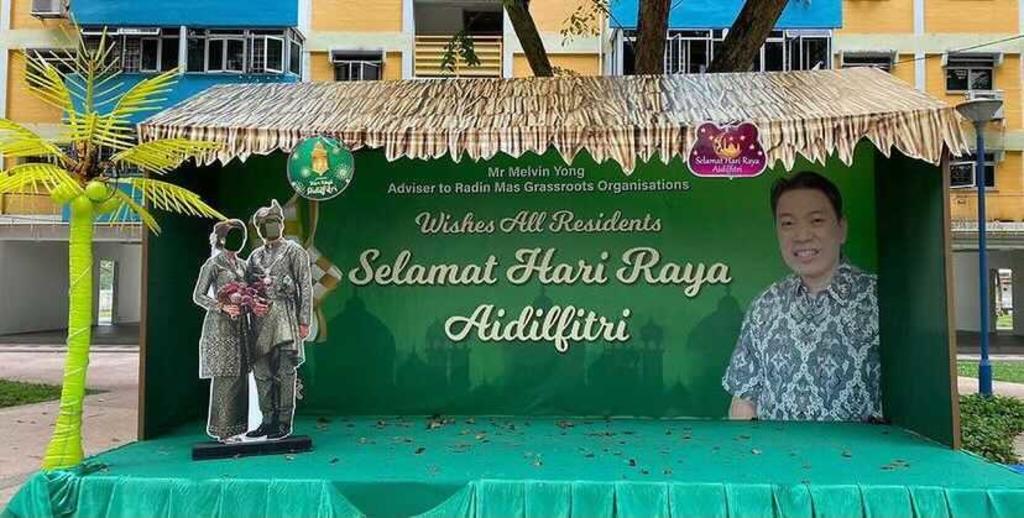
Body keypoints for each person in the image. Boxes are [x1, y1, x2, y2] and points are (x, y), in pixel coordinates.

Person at [722, 171, 881, 422]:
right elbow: (744, 400)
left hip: (859, 460)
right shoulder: (766, 305)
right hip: (777, 459)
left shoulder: (879, 300)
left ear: (841, 229)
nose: (802, 235)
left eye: (816, 220)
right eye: (787, 223)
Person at [246, 199, 313, 440]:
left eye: (273, 221)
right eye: (263, 223)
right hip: (260, 319)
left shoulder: (295, 251)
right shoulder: (254, 257)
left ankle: (284, 421)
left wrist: (304, 320)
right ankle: (267, 420)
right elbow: (247, 289)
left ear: (281, 224)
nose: (269, 227)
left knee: (286, 371)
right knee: (262, 371)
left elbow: (306, 286)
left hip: (285, 315)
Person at [193, 219, 252, 442]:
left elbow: (252, 291)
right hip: (219, 326)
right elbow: (199, 295)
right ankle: (222, 430)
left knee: (240, 376)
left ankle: (239, 427)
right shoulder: (213, 264)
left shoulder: (244, 265)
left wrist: (249, 301)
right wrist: (222, 306)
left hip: (240, 325)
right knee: (225, 376)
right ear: (223, 238)